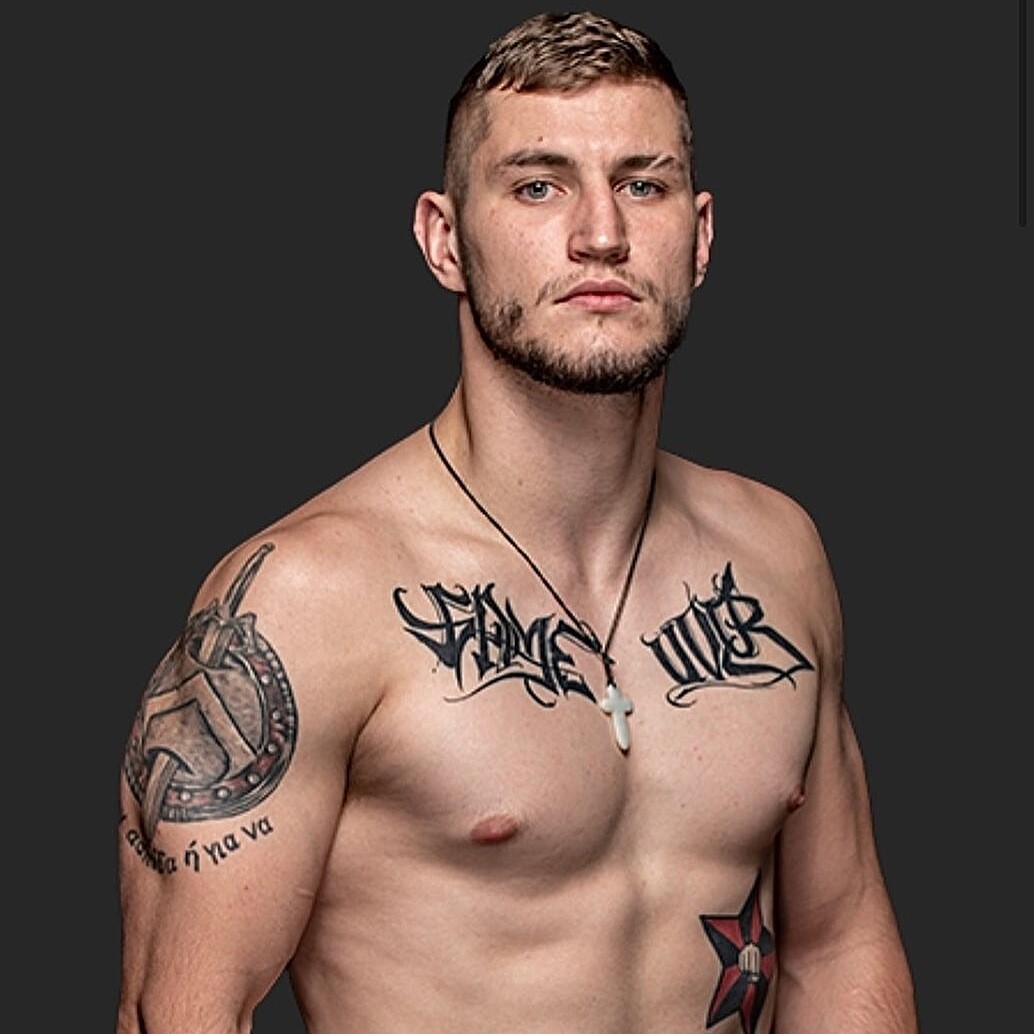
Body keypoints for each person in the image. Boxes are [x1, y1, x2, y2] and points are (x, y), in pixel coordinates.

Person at [116, 11, 918, 1033]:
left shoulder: (774, 553)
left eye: (643, 185)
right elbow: (176, 1013)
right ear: (445, 240)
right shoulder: (310, 598)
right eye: (538, 186)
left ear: (701, 235)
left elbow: (838, 944)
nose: (601, 234)